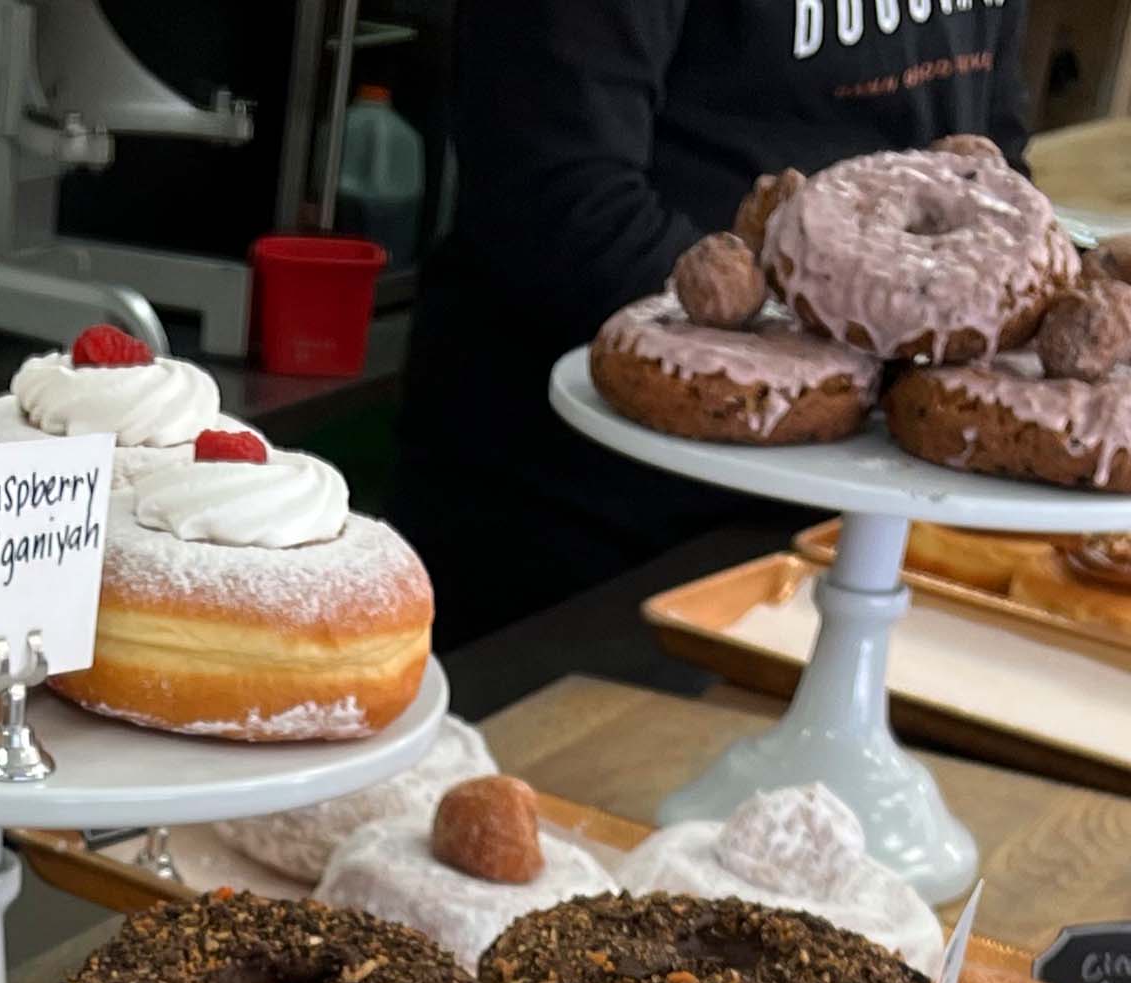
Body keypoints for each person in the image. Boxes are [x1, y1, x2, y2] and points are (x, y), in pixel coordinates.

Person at [394, 0, 1042, 643]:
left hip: (868, 519)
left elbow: (994, 171)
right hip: (593, 516)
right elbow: (560, 207)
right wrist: (846, 371)